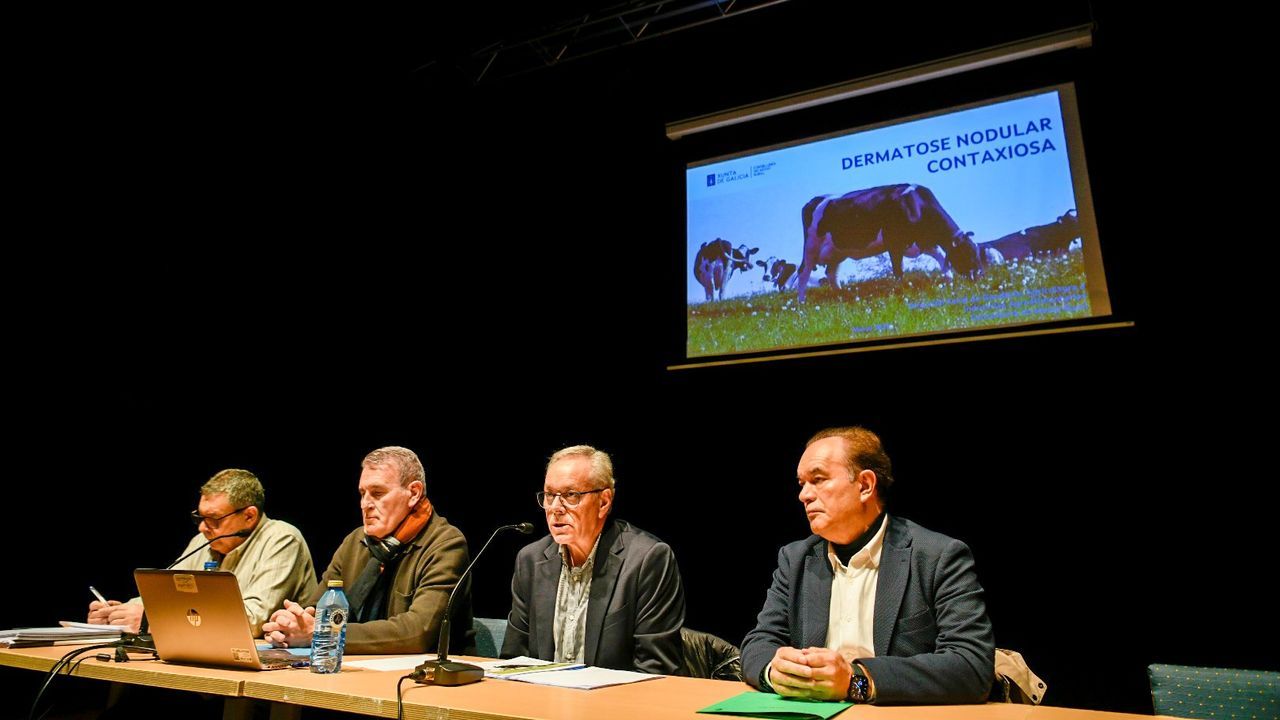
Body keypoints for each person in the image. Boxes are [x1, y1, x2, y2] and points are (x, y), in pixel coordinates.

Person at [741, 427, 994, 705]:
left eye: (818, 479)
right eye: (801, 484)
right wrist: (773, 671)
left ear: (865, 485)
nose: (804, 495)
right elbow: (758, 643)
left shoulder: (937, 556)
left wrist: (855, 680)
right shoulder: (795, 559)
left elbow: (972, 664)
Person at [262, 446, 473, 654]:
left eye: (378, 493)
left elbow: (418, 632)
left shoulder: (446, 544)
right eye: (363, 494)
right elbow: (317, 610)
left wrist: (323, 633)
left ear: (413, 493)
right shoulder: (355, 541)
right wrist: (291, 625)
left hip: (427, 677)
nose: (365, 504)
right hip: (357, 668)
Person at [501, 445, 685, 674]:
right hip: (542, 703)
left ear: (604, 502)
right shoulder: (531, 560)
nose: (556, 508)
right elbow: (514, 662)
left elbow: (656, 669)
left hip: (616, 706)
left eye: (570, 495)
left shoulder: (648, 560)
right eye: (549, 495)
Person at [87, 468, 316, 636]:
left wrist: (151, 620)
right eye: (200, 517)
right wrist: (122, 611)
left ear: (249, 516)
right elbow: (164, 592)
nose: (202, 527)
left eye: (214, 519)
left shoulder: (283, 539)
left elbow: (252, 619)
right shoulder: (204, 540)